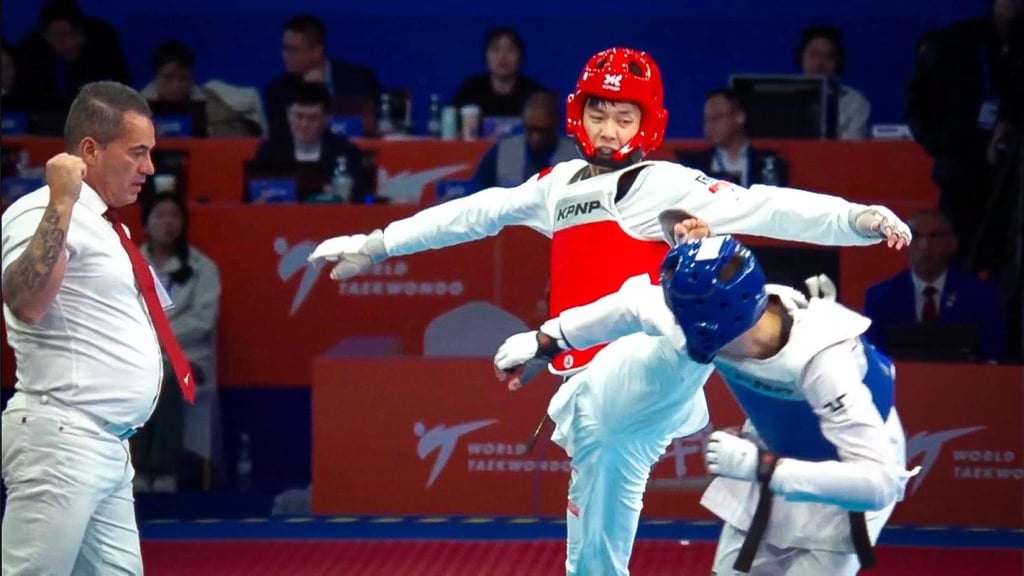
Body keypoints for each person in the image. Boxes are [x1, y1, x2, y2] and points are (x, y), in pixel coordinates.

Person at [307, 47, 911, 575]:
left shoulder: (662, 183)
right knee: (592, 550)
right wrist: (377, 244)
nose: (610, 128)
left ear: (648, 124)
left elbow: (765, 207)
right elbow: (478, 211)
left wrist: (856, 219)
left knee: (608, 387)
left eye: (625, 117)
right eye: (600, 113)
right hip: (593, 384)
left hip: (649, 361)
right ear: (580, 113)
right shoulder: (559, 184)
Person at [495, 234, 917, 575]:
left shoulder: (825, 364)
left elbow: (881, 484)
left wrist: (763, 468)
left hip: (839, 476)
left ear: (721, 321)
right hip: (769, 448)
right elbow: (631, 306)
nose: (677, 329)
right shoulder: (702, 312)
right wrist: (546, 341)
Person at [1, 80, 195, 575]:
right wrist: (60, 202)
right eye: (137, 152)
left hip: (108, 446)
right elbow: (24, 301)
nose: (149, 168)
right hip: (61, 440)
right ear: (89, 151)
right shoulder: (39, 211)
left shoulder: (111, 226)